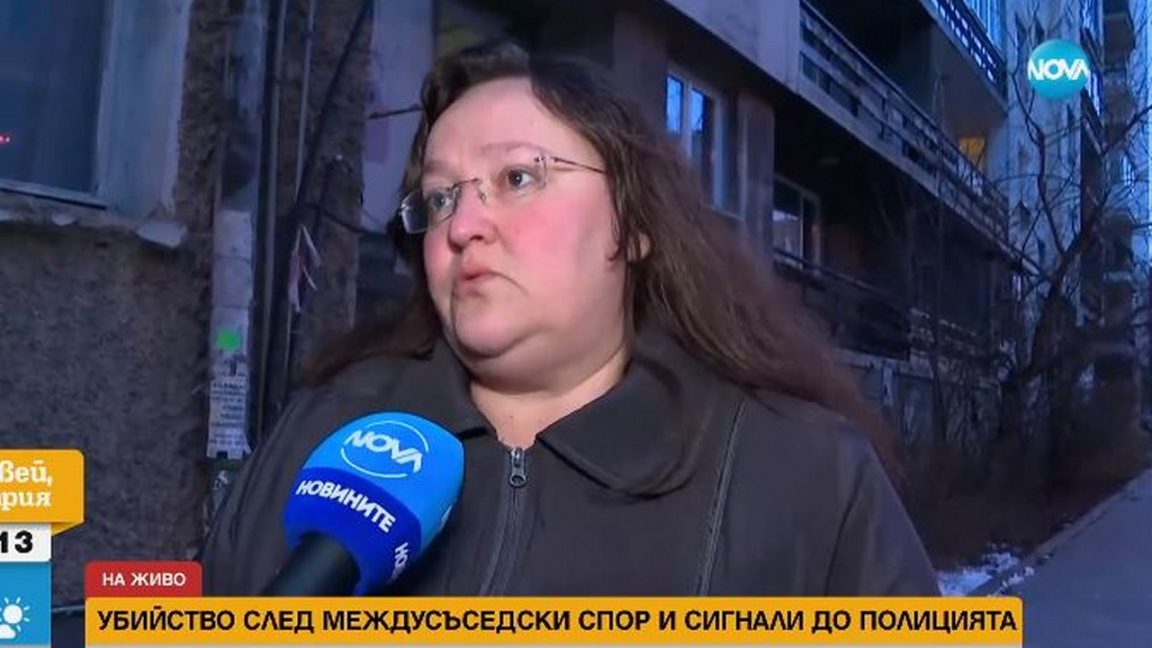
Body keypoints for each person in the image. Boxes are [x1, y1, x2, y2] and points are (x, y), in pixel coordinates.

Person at [199, 41, 940, 596]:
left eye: (518, 177)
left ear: (633, 223)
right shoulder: (323, 431)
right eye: (441, 198)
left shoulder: (807, 476)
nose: (463, 227)